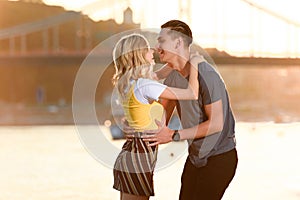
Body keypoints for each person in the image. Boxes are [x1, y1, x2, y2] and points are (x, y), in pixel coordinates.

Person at [142, 20, 238, 200]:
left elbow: (216, 124)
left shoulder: (206, 75)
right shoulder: (171, 79)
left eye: (161, 41)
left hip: (220, 158)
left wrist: (174, 135)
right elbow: (161, 120)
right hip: (195, 158)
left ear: (178, 43)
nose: (157, 46)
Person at [111, 33, 203, 200]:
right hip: (139, 158)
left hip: (131, 154)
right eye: (147, 49)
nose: (152, 51)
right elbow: (192, 93)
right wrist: (195, 65)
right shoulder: (144, 85)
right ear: (138, 54)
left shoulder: (131, 83)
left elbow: (159, 74)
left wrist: (180, 58)